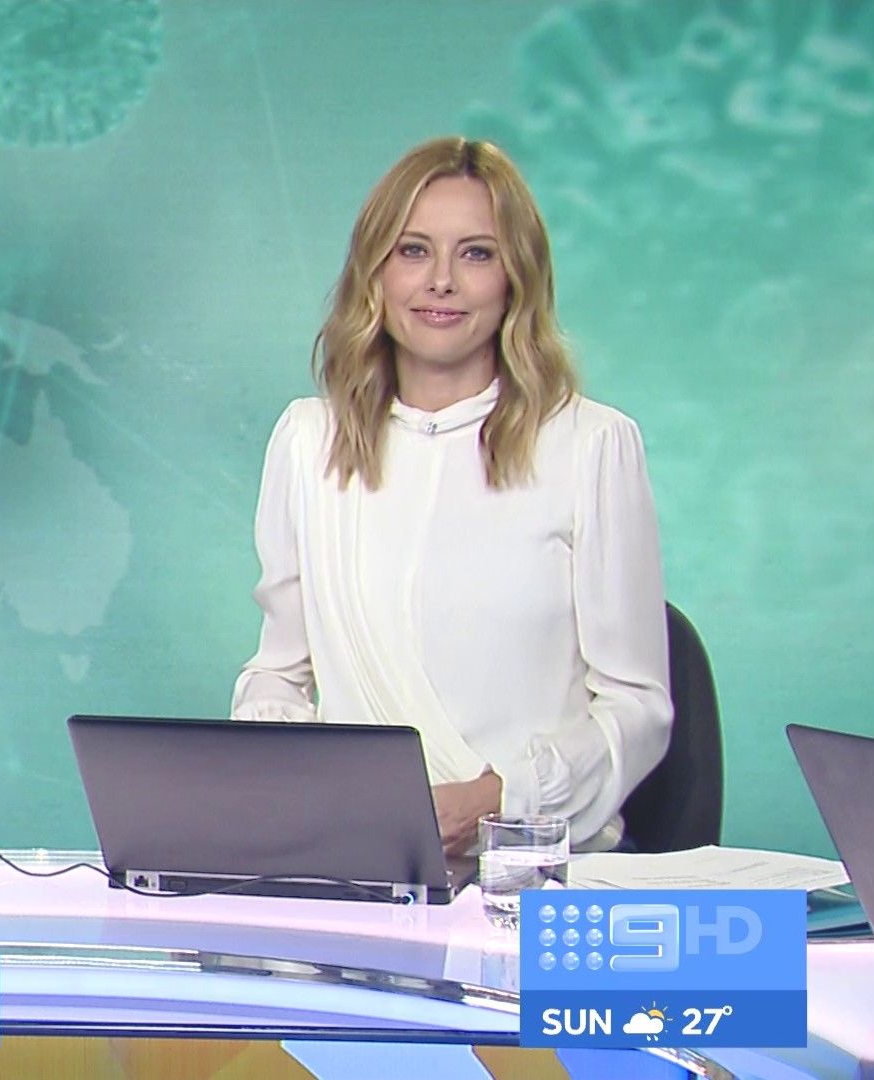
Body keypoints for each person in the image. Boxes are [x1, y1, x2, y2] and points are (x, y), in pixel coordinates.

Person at [231, 137, 671, 855]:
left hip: (526, 867)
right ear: (374, 273)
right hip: (358, 860)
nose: (441, 281)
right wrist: (294, 776)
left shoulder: (592, 445)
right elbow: (277, 674)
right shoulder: (310, 442)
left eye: (476, 254)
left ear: (516, 277)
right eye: (413, 251)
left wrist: (496, 800)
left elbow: (638, 707)